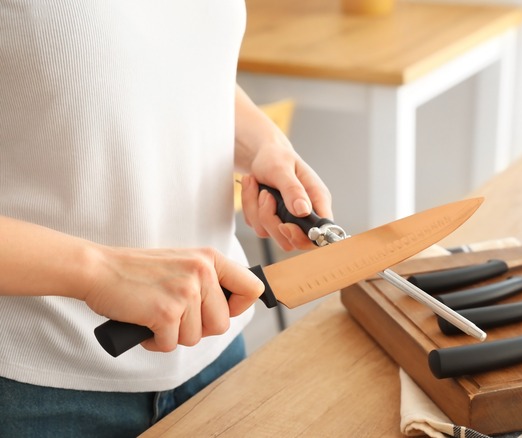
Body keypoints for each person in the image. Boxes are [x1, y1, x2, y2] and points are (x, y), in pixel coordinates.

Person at [0, 2, 332, 436]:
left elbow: (174, 63)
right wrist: (100, 273)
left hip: (218, 353)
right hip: (36, 391)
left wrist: (262, 143)